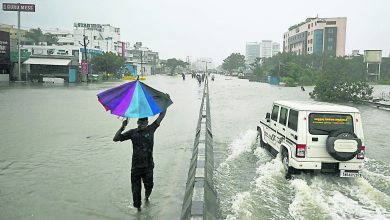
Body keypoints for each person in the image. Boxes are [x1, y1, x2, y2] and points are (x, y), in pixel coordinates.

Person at [113, 110, 167, 210]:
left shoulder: (151, 129)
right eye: (141, 122)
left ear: (147, 123)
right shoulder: (132, 133)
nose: (143, 124)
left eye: (145, 122)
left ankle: (147, 198)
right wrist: (122, 127)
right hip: (136, 168)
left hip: (148, 167)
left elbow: (161, 116)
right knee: (136, 193)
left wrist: (165, 105)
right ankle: (138, 211)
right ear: (137, 122)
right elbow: (116, 138)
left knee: (149, 187)